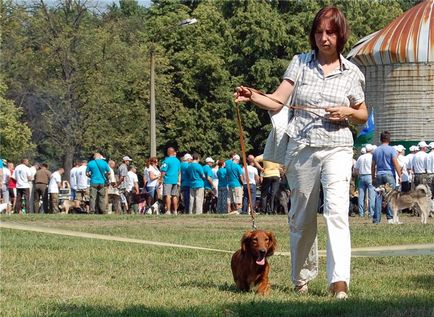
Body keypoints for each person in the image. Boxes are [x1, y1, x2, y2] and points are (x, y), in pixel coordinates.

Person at [235, 6, 368, 299]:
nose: (324, 38)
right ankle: (301, 277)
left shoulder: (352, 72)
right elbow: (278, 100)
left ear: (340, 35)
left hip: (338, 147)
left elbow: (363, 114)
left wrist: (347, 111)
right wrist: (254, 96)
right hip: (302, 149)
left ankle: (339, 282)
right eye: (319, 32)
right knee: (302, 218)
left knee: (337, 213)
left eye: (330, 32)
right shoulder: (300, 63)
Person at [371, 131, 402, 224]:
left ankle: (376, 219)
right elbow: (395, 162)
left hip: (379, 174)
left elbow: (373, 165)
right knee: (391, 197)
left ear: (381, 139)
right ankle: (390, 218)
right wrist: (400, 175)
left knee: (378, 196)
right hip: (389, 174)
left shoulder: (376, 150)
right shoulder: (392, 149)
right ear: (389, 139)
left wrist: (373, 177)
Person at [353, 144, 375, 217]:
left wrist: (358, 175)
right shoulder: (372, 157)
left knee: (361, 196)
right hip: (370, 176)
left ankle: (361, 213)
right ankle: (371, 213)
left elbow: (355, 169)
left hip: (362, 176)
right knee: (371, 196)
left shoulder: (360, 157)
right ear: (371, 150)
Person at [160, 147, 181, 215]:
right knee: (174, 195)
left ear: (169, 152)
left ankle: (168, 210)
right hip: (175, 180)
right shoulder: (178, 161)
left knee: (168, 195)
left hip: (168, 180)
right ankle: (175, 211)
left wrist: (160, 179)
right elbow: (178, 171)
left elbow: (163, 171)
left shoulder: (166, 160)